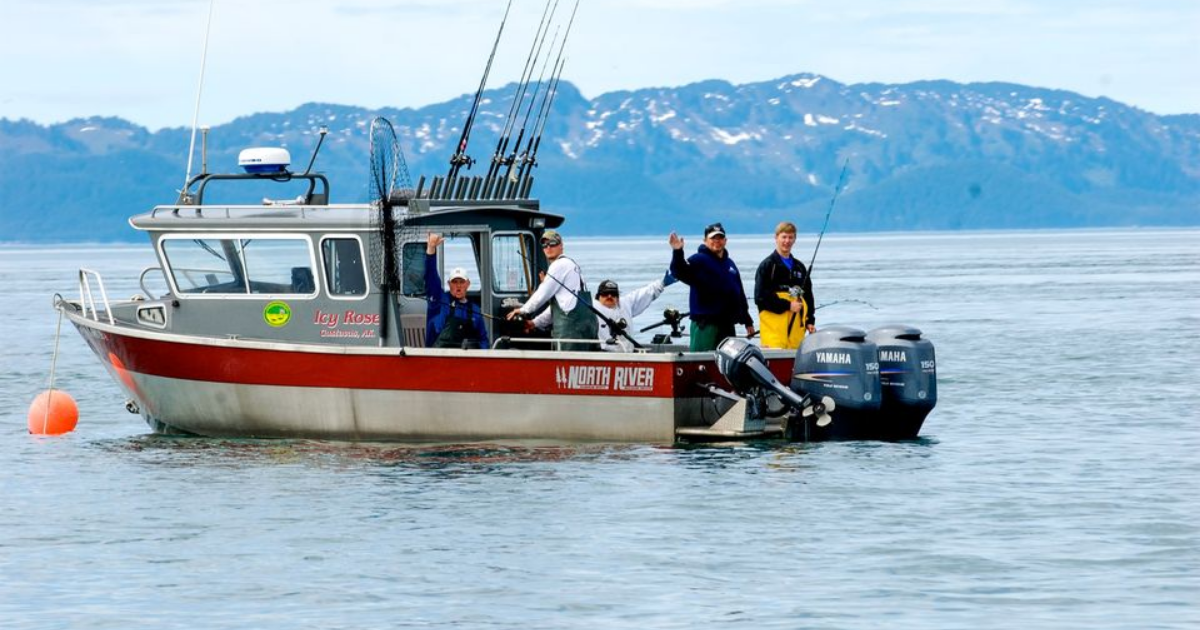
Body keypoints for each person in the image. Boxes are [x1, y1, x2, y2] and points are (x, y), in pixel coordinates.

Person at [506, 230, 599, 351]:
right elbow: (562, 307)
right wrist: (535, 323)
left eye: (553, 243)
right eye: (544, 245)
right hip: (588, 328)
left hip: (571, 333)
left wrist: (523, 310)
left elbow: (542, 294)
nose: (548, 247)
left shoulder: (559, 265)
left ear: (561, 246)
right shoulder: (572, 265)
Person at [668, 222, 755, 351]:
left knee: (726, 367)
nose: (717, 241)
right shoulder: (698, 260)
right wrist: (677, 251)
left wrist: (747, 321)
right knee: (699, 363)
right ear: (705, 240)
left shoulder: (730, 264)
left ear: (725, 241)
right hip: (705, 325)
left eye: (720, 238)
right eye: (713, 238)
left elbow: (739, 294)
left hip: (727, 325)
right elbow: (679, 271)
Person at [754, 221, 816, 349]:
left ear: (794, 240)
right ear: (776, 238)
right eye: (784, 237)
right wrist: (788, 305)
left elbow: (808, 295)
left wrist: (810, 320)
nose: (787, 241)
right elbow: (760, 297)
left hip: (796, 332)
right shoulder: (767, 266)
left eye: (790, 237)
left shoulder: (799, 267)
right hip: (774, 332)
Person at [424, 233, 489, 349]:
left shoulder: (475, 310)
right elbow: (431, 278)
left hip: (466, 362)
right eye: (454, 282)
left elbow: (483, 339)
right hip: (437, 359)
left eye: (461, 282)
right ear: (449, 284)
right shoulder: (439, 301)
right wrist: (431, 249)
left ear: (468, 284)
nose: (458, 286)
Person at [590, 272, 676, 352]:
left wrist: (662, 283)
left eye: (613, 294)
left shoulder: (625, 304)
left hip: (627, 355)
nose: (609, 296)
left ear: (618, 296)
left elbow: (643, 294)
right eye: (605, 294)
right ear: (598, 296)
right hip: (603, 355)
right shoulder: (591, 307)